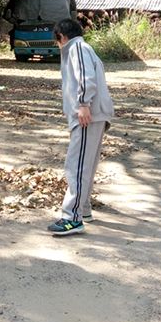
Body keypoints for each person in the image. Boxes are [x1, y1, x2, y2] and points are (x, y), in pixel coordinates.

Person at [47, 18, 114, 236]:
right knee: (86, 165)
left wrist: (84, 104)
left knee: (76, 165)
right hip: (93, 115)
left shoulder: (77, 48)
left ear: (61, 36)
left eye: (57, 40)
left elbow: (86, 77)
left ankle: (72, 217)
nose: (58, 45)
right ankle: (83, 209)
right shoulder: (83, 48)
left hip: (87, 115)